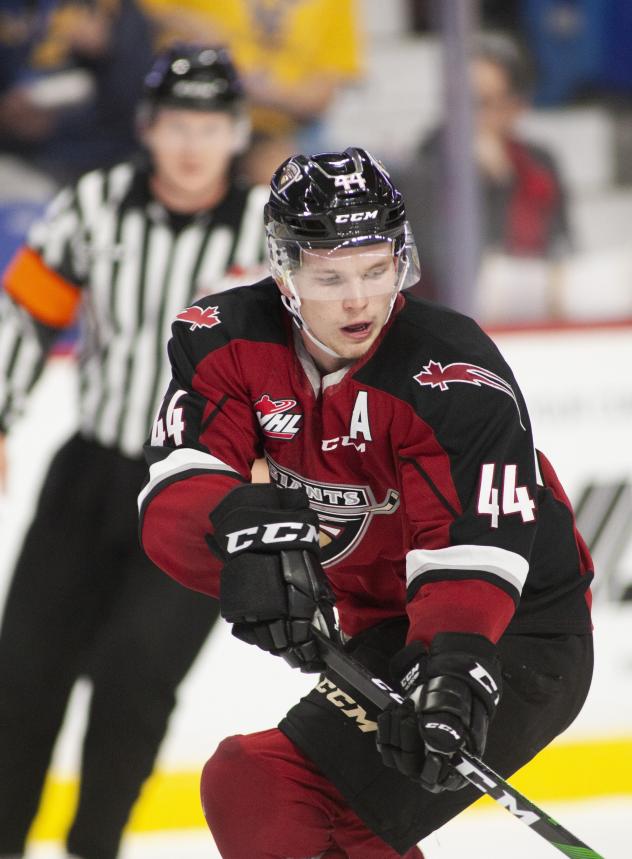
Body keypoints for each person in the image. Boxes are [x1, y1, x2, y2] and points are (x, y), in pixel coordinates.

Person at [138, 146, 594, 858]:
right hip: (383, 627)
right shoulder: (223, 340)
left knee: (275, 789)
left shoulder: (450, 370)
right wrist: (236, 535)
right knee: (263, 787)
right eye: (330, 276)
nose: (358, 300)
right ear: (285, 270)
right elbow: (178, 486)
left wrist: (450, 665)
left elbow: (475, 544)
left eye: (377, 270)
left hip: (515, 629)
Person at [0, 43, 267, 859]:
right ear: (148, 128)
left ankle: (94, 849)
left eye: (210, 124)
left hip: (204, 494)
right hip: (92, 471)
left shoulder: (270, 230)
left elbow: (316, 358)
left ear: (238, 132)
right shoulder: (94, 204)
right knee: (22, 678)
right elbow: (27, 313)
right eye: (178, 124)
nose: (192, 143)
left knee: (134, 684)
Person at [396, 31, 573, 311]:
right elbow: (449, 271)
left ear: (517, 107)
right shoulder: (424, 167)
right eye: (461, 102)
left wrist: (504, 179)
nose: (468, 117)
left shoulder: (539, 163)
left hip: (533, 316)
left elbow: (561, 247)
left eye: (483, 103)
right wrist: (489, 186)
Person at [139, 0, 364, 184]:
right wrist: (190, 25)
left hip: (273, 127)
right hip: (186, 107)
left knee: (288, 178)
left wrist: (253, 86)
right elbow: (140, 11)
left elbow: (320, 96)